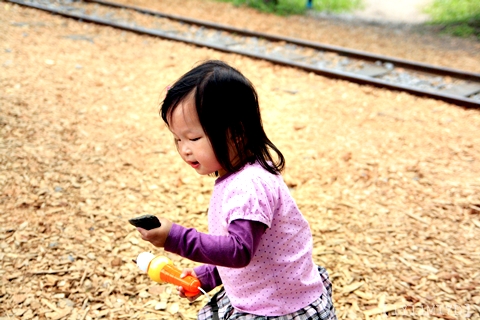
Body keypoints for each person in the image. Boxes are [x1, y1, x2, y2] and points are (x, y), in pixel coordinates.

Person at [136, 60, 337, 319]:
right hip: (262, 295)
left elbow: (239, 251)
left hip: (278, 309)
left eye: (194, 138)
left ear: (237, 132)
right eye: (178, 139)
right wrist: (210, 274)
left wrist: (175, 238)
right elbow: (259, 253)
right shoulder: (239, 174)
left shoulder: (250, 185)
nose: (185, 149)